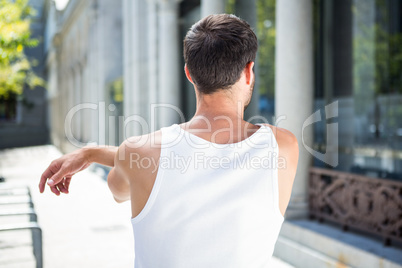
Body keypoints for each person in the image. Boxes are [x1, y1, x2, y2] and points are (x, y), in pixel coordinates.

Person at [39, 14, 299, 267]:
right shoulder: (283, 146)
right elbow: (207, 158)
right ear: (249, 72)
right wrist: (94, 153)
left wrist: (92, 152)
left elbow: (121, 189)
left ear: (189, 73)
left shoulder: (138, 152)